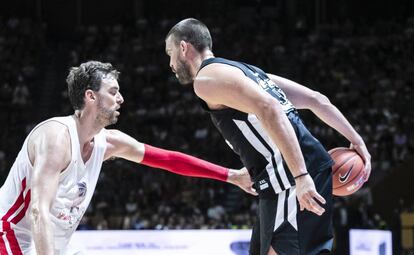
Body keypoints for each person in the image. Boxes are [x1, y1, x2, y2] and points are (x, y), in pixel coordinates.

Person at [0, 61, 257, 255]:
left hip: (48, 245)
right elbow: (38, 210)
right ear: (90, 96)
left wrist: (231, 176)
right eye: (113, 92)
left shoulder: (109, 142)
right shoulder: (56, 137)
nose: (121, 99)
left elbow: (168, 159)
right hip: (10, 237)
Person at [165, 18, 372, 255]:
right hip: (286, 178)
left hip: (290, 178)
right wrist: (357, 140)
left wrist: (301, 175)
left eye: (169, 53)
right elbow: (317, 100)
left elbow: (270, 109)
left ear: (183, 48)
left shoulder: (205, 80)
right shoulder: (250, 71)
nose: (170, 63)